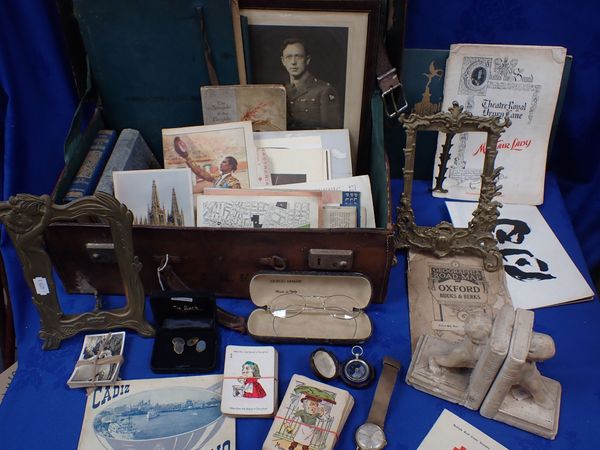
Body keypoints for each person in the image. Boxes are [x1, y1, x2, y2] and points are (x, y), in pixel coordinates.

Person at [280, 38, 342, 130]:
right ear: (283, 61)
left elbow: (331, 132)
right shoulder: (280, 90)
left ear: (307, 60)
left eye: (298, 56)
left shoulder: (324, 90)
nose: (293, 62)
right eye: (289, 57)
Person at [174, 137, 241, 189]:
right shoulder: (217, 178)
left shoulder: (234, 182)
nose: (221, 164)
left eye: (224, 162)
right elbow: (200, 172)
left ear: (230, 166)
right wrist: (187, 157)